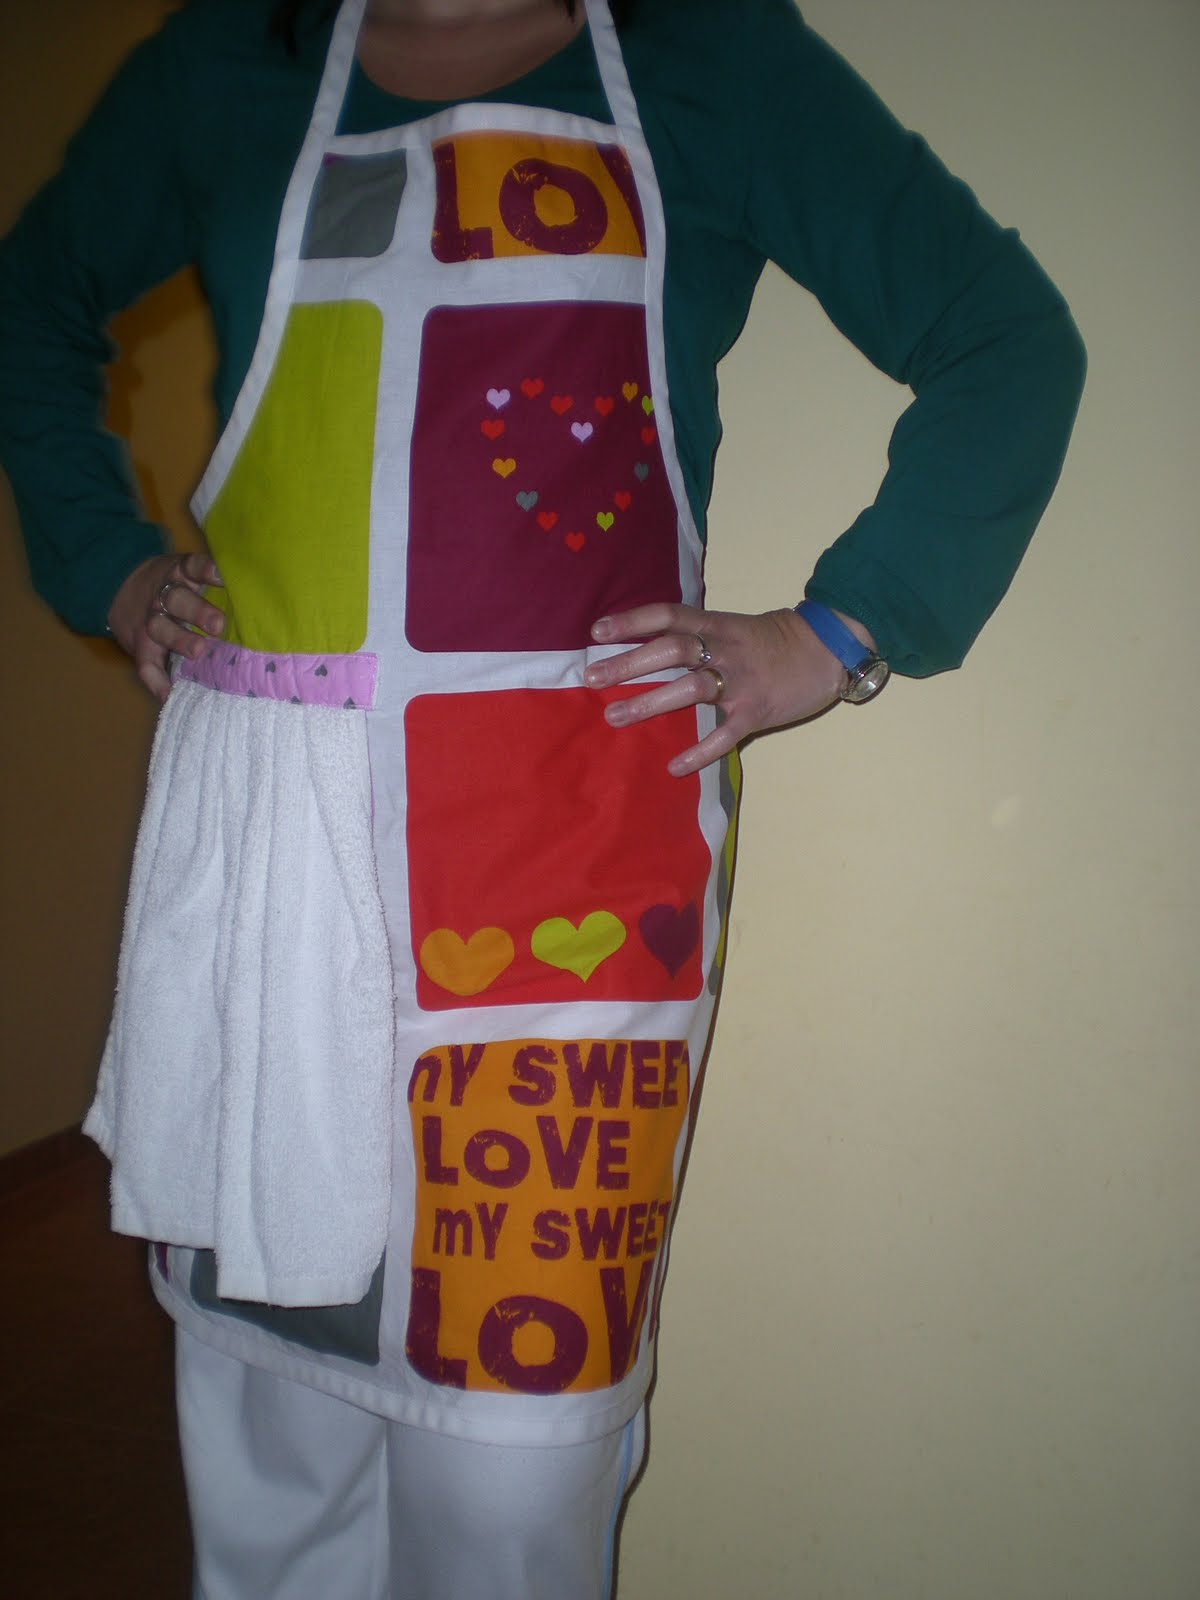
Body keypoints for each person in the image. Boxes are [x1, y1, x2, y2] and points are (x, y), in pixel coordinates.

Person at [0, 0, 1085, 1595]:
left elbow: (1004, 336)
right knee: (273, 1432)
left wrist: (840, 633)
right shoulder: (225, 61)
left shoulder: (710, 57)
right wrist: (109, 565)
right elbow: (30, 300)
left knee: (516, 1454)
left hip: (569, 855)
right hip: (274, 855)